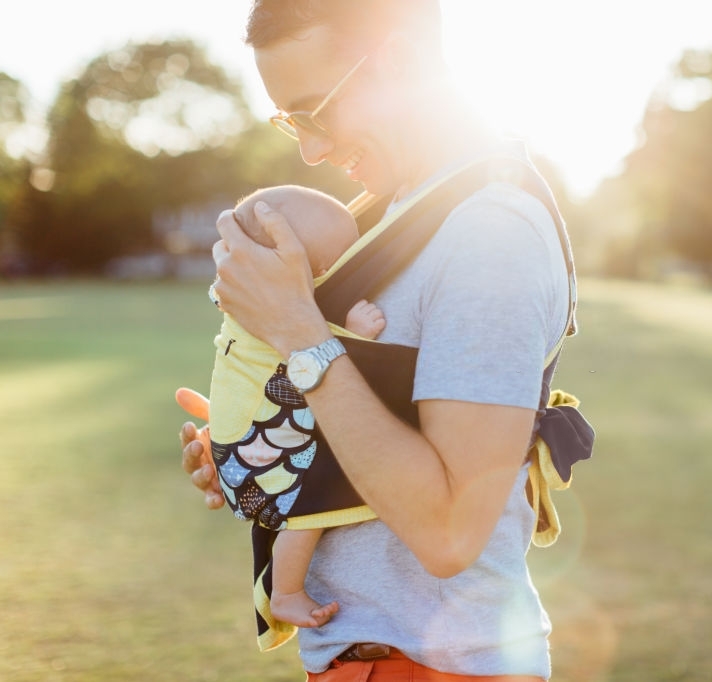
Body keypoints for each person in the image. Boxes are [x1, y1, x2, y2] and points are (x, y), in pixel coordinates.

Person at [179, 2, 583, 679]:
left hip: (440, 665)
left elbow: (449, 531)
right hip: (362, 658)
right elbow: (359, 419)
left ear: (398, 62)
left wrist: (299, 335)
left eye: (315, 111)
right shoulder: (394, 215)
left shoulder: (491, 233)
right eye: (290, 122)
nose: (310, 150)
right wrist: (260, 441)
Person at [198, 184, 385, 631]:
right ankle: (285, 592)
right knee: (310, 507)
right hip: (255, 441)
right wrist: (354, 332)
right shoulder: (265, 304)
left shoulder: (239, 293)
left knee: (311, 498)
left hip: (242, 434)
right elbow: (313, 350)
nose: (342, 270)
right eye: (334, 262)